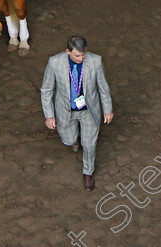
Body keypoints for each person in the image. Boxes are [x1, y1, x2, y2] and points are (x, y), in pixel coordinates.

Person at [41, 35, 114, 191]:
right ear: (68, 51)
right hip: (65, 110)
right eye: (77, 55)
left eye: (83, 55)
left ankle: (88, 173)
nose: (81, 58)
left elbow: (103, 88)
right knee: (68, 140)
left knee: (89, 144)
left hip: (88, 110)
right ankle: (74, 139)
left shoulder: (96, 61)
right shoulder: (55, 63)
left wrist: (107, 110)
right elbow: (46, 90)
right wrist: (49, 115)